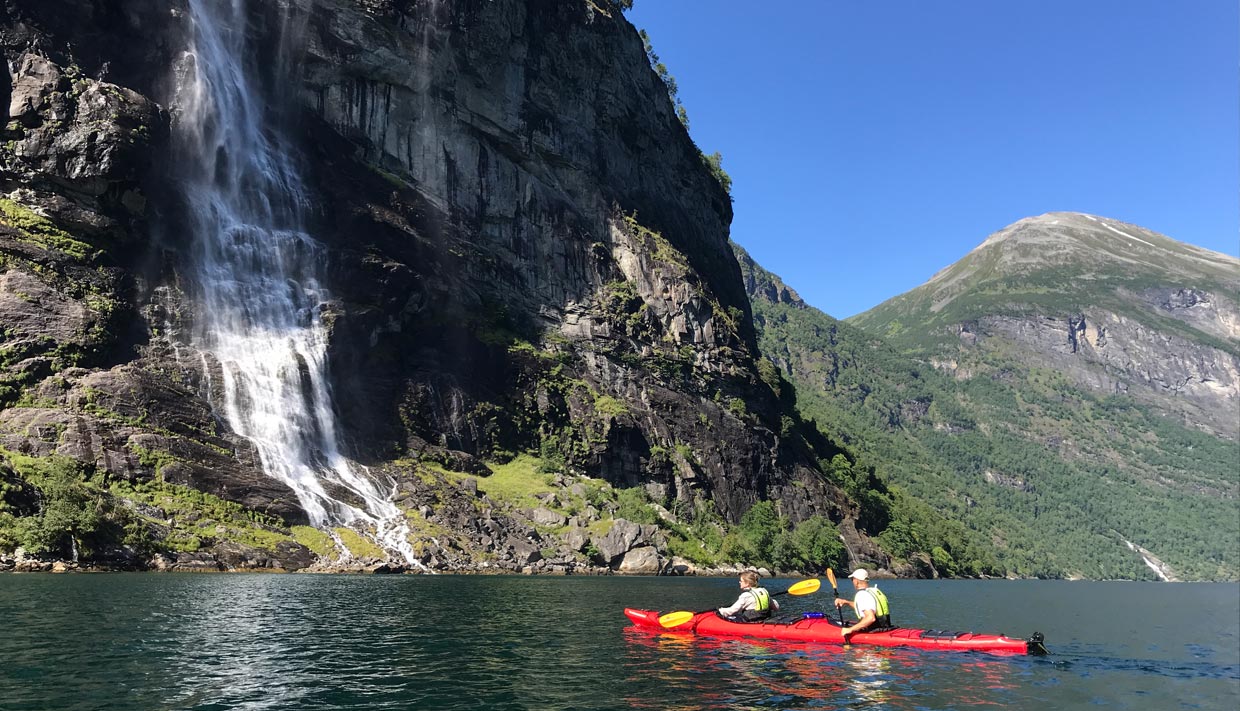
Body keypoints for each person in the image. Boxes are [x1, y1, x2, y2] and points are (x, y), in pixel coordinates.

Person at [833, 568, 891, 635]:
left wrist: (850, 629)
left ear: (856, 581)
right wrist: (846, 602)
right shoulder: (874, 591)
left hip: (873, 631)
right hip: (886, 628)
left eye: (852, 579)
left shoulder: (862, 595)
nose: (852, 582)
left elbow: (871, 618)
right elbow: (865, 607)